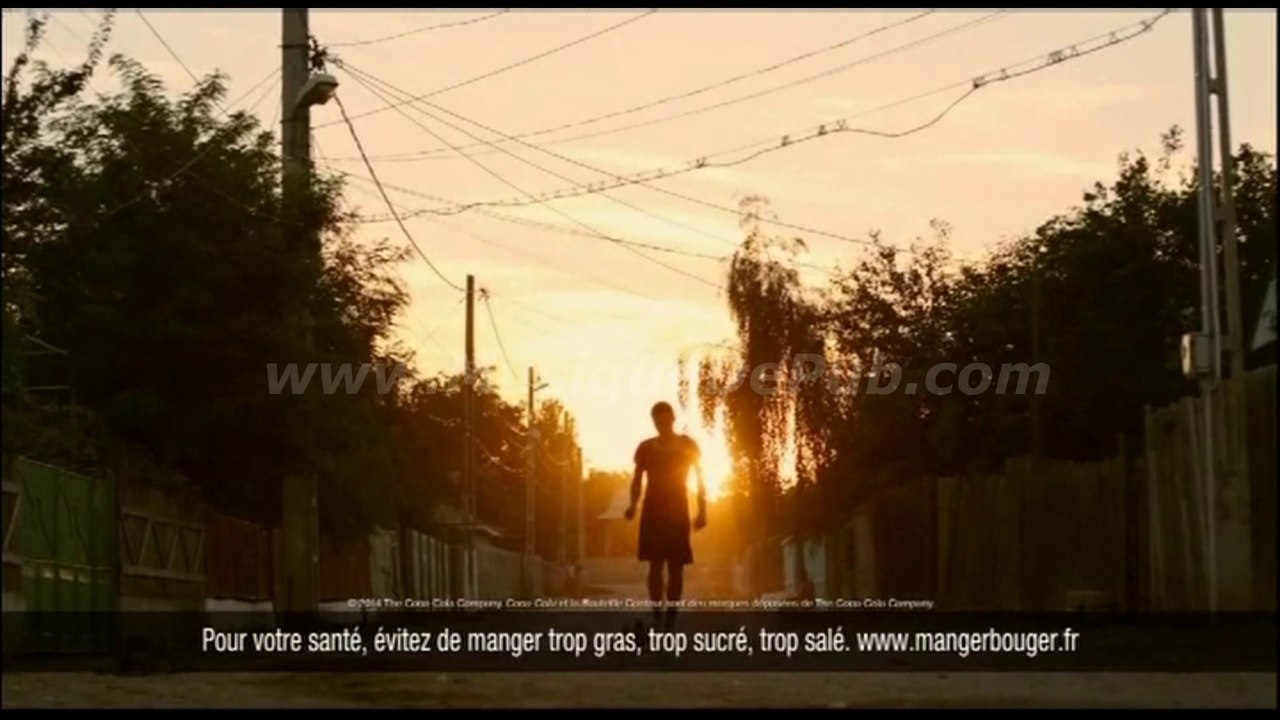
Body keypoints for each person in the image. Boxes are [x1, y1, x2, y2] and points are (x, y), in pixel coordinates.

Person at [625, 401, 706, 629]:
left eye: (664, 419)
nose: (661, 424)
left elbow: (700, 479)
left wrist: (702, 510)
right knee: (654, 566)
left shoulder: (688, 446)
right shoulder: (646, 448)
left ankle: (671, 614)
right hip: (653, 511)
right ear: (654, 422)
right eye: (657, 421)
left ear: (672, 418)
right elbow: (636, 479)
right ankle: (657, 611)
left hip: (679, 512)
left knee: (676, 566)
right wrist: (633, 504)